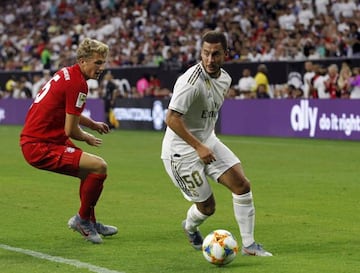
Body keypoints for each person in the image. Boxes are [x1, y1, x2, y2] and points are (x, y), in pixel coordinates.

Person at [160, 30, 272, 256]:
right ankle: (189, 227)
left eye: (216, 54)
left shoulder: (225, 79)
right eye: (206, 54)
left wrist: (205, 143)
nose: (210, 60)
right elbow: (171, 118)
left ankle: (249, 245)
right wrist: (198, 147)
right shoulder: (190, 82)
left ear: (225, 54)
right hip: (180, 153)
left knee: (242, 185)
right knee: (207, 208)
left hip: (207, 141)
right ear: (200, 53)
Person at [20, 38, 118, 244]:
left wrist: (92, 124)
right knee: (99, 166)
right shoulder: (78, 84)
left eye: (103, 62)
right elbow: (71, 129)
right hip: (39, 145)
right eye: (98, 62)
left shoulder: (67, 73)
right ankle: (82, 220)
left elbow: (68, 111)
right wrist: (87, 137)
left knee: (90, 172)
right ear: (83, 61)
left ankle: (89, 220)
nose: (102, 67)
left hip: (50, 139)